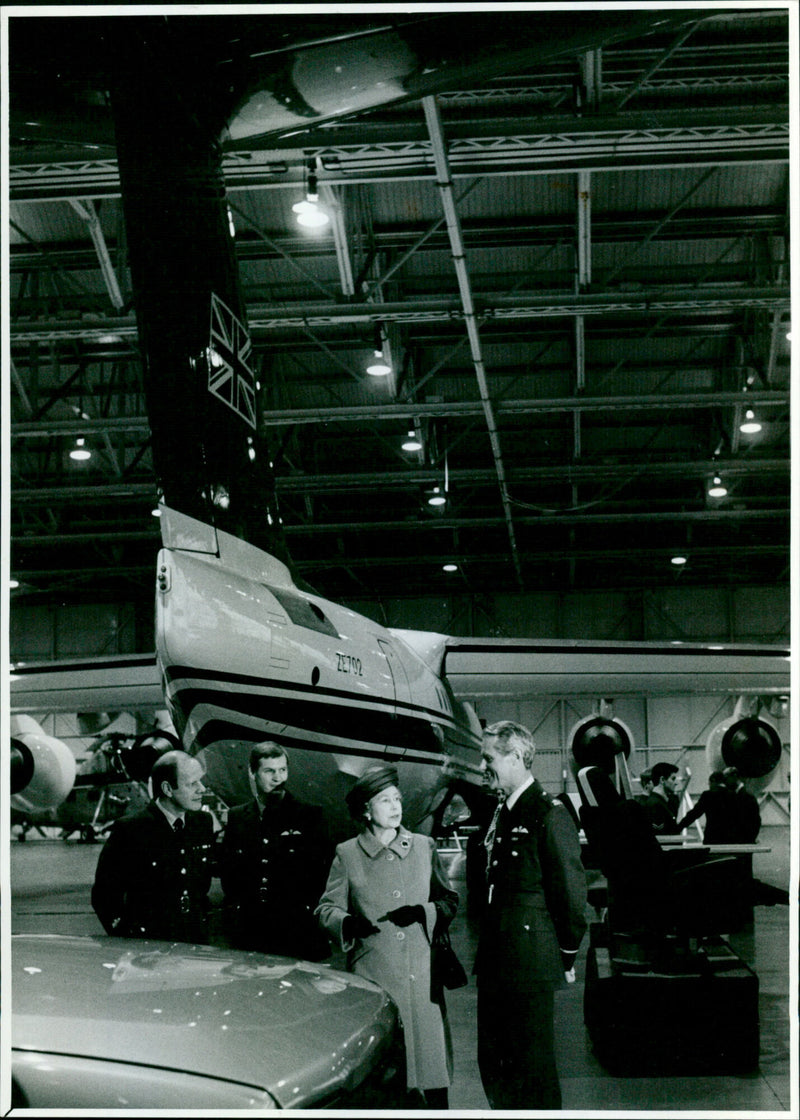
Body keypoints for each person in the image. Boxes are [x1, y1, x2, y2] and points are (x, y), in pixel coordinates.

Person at [316, 765, 458, 1110]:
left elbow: (449, 900)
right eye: (384, 800)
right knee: (385, 1083)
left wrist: (423, 913)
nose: (395, 806)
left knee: (431, 1078)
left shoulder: (424, 847)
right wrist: (349, 924)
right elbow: (325, 908)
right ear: (366, 810)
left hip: (423, 982)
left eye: (397, 798)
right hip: (376, 978)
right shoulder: (347, 854)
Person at [476, 720, 587, 1110]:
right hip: (496, 961)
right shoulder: (503, 812)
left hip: (529, 964)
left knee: (532, 1070)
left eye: (489, 757)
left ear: (518, 757)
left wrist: (567, 954)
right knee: (495, 1063)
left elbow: (571, 895)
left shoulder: (548, 813)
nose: (482, 765)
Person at [219, 742, 331, 960]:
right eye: (269, 771)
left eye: (283, 770)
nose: (278, 778)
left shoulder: (310, 816)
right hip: (251, 933)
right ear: (252, 773)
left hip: (297, 932)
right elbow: (230, 876)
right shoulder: (237, 816)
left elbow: (321, 876)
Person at [92, 750, 214, 942]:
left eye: (200, 781)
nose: (202, 789)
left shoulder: (202, 823)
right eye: (192, 784)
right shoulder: (131, 830)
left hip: (195, 939)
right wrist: (128, 937)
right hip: (150, 945)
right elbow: (104, 895)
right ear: (167, 789)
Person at [675, 770, 741, 842]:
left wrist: (679, 827)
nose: (709, 786)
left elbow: (694, 814)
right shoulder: (735, 795)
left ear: (713, 781)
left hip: (713, 837)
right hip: (731, 838)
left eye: (709, 784)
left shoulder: (708, 795)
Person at [642, 761, 682, 834]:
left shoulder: (662, 801)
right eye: (673, 779)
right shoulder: (655, 804)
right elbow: (658, 834)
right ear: (662, 780)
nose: (676, 783)